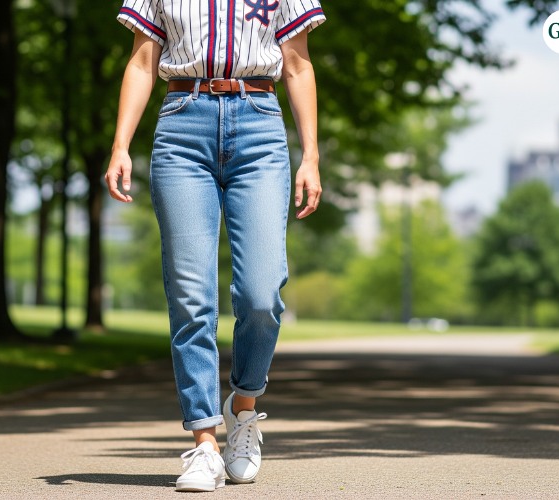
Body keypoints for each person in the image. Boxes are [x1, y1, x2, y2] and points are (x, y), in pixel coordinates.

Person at [104, 0, 325, 492]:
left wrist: (310, 153)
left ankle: (243, 410)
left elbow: (297, 62)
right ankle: (204, 443)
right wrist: (121, 145)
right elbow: (142, 60)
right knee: (190, 296)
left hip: (260, 125)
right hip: (183, 125)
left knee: (261, 294)